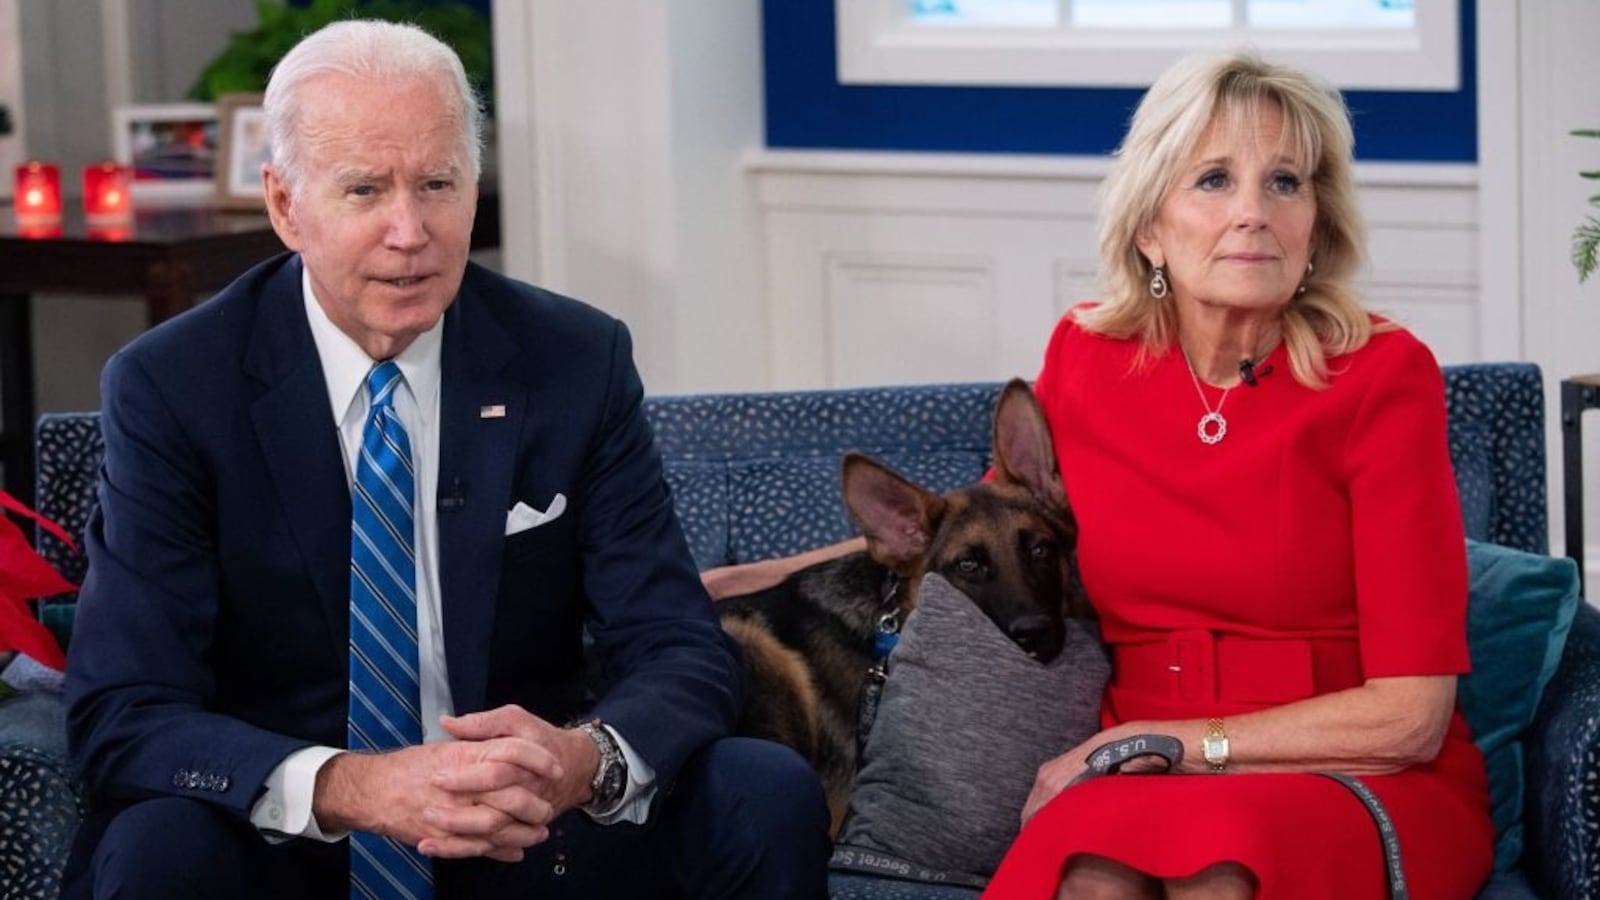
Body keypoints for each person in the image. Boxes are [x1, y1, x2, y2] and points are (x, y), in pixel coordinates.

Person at [62, 19, 829, 900]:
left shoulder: (575, 361)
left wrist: (585, 760)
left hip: (525, 832)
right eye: (364, 190)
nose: (410, 231)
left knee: (760, 794)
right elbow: (122, 710)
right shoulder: (173, 387)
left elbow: (676, 645)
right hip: (289, 839)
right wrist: (355, 787)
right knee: (157, 847)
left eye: (438, 184)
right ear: (284, 206)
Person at [706, 51, 1494, 900]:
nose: (1253, 214)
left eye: (1285, 183)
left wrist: (1173, 744)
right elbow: (966, 527)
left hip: (1340, 763)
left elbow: (1412, 717)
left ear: (1317, 223)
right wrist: (750, 577)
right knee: (1089, 877)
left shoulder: (1383, 376)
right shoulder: (1090, 359)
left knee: (1219, 876)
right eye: (1216, 180)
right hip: (1138, 765)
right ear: (1150, 225)